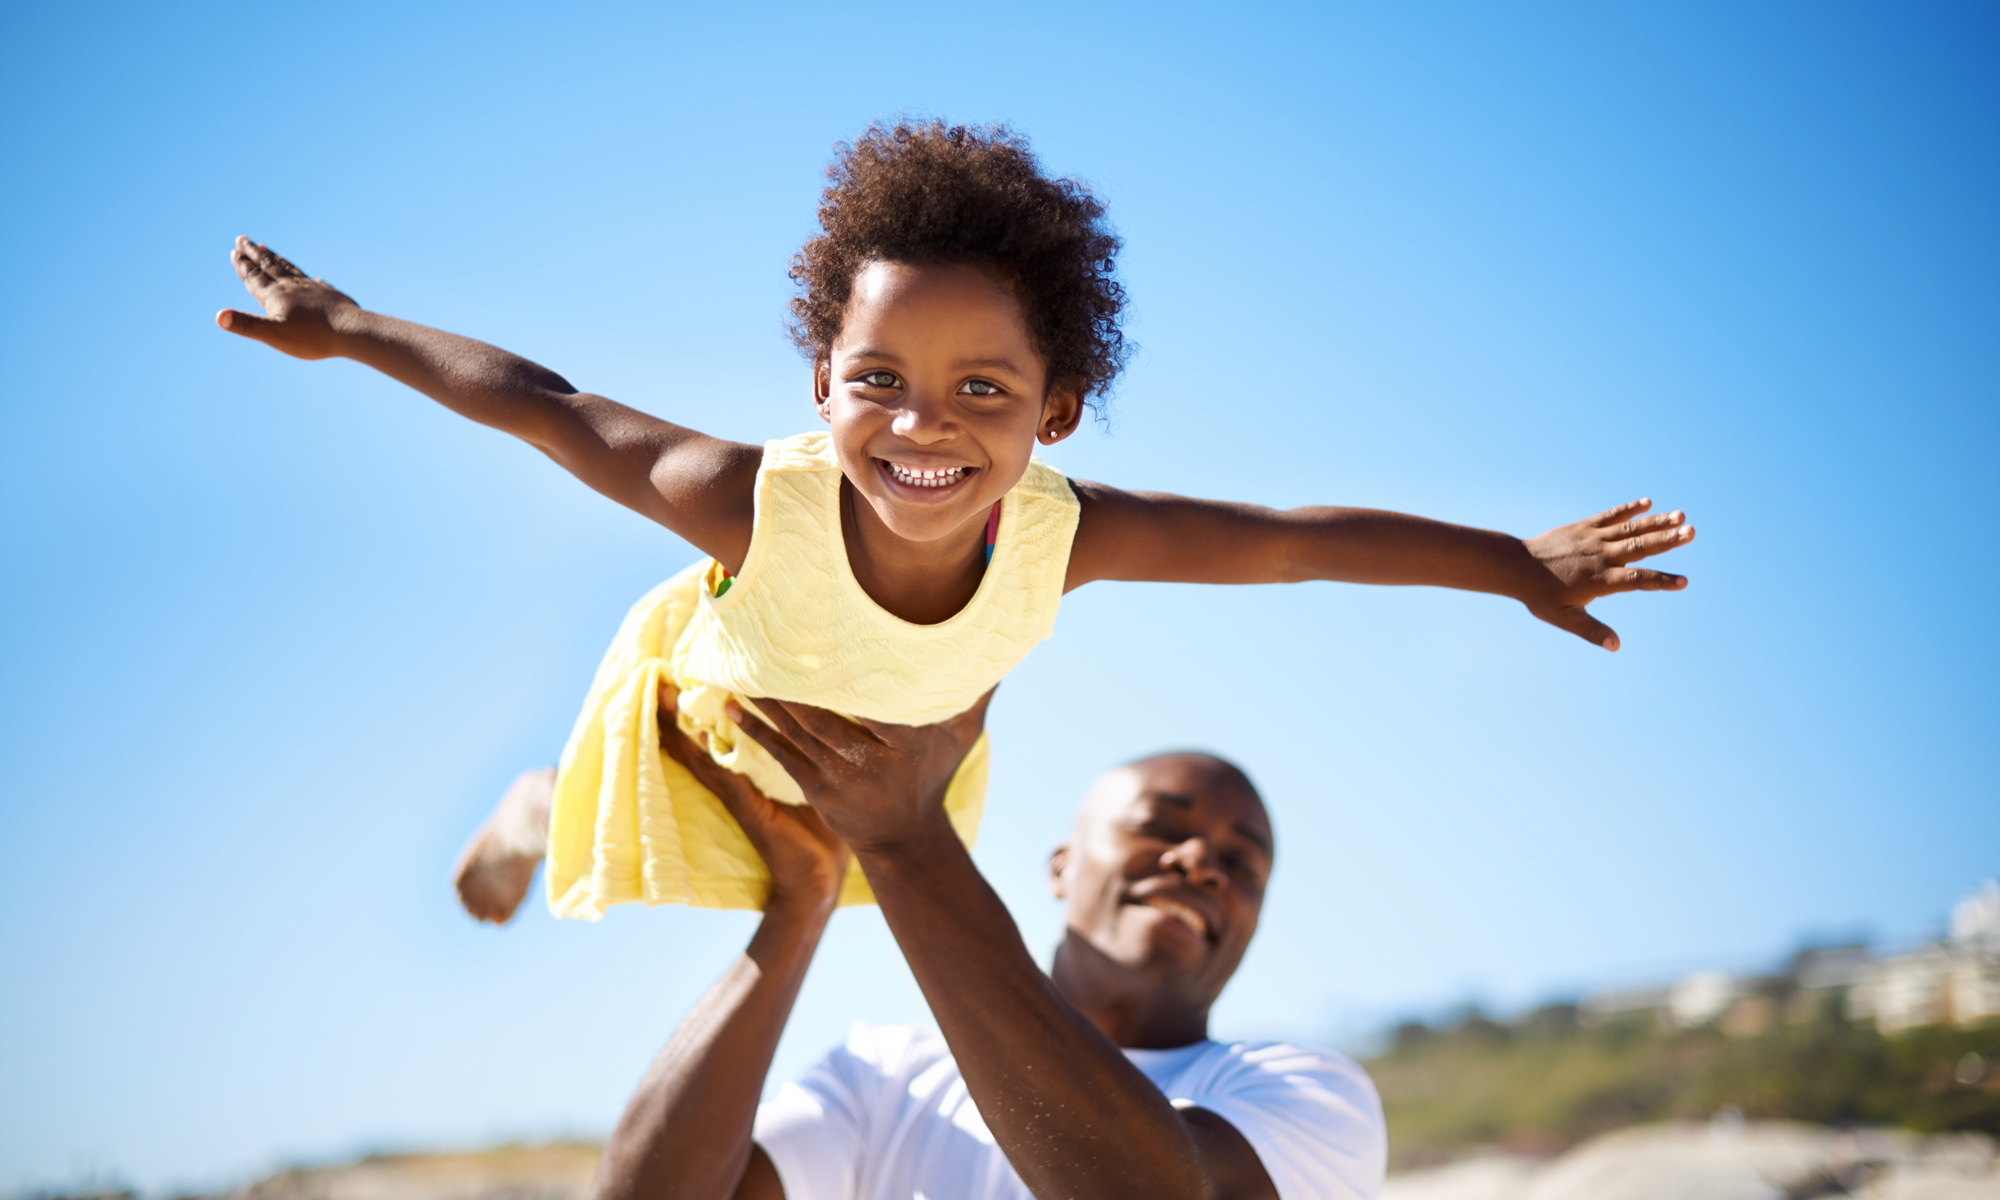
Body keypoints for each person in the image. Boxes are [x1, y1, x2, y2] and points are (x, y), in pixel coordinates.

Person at [217, 120, 1695, 927]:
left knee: (816, 883)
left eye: (981, 387)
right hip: (703, 725)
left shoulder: (1066, 531)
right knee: (677, 838)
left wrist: (1507, 564)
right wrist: (350, 327)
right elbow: (547, 403)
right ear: (821, 380)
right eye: (882, 381)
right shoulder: (748, 498)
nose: (924, 424)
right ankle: (547, 804)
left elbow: (1288, 538)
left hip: (891, 765)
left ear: (1055, 409)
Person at [588, 690, 1385, 1200]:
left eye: (1241, 864)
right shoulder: (885, 1078)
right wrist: (801, 908)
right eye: (1160, 827)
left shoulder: (1303, 1096)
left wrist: (907, 842)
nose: (1202, 863)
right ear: (1061, 868)